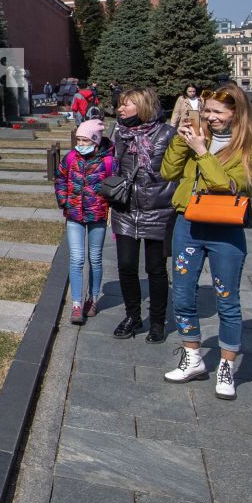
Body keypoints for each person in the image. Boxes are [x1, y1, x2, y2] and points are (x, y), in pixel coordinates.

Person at [160, 82, 252, 399]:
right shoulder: (198, 138)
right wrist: (183, 141)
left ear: (237, 114)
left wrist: (201, 152)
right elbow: (168, 172)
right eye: (206, 111)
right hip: (189, 223)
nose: (209, 117)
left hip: (226, 228)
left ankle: (226, 364)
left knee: (227, 299)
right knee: (182, 293)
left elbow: (226, 186)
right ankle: (192, 356)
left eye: (217, 112)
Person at [107, 87, 177, 341]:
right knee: (126, 266)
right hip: (125, 208)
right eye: (120, 105)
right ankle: (132, 316)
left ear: (143, 105)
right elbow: (112, 165)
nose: (120, 109)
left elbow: (178, 171)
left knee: (156, 268)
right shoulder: (119, 133)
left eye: (126, 104)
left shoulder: (167, 134)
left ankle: (158, 321)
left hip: (158, 210)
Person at [55, 118, 116, 325]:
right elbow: (61, 178)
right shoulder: (71, 157)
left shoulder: (108, 161)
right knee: (77, 259)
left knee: (95, 258)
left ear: (96, 141)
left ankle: (93, 298)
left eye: (84, 140)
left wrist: (106, 203)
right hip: (74, 215)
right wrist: (64, 200)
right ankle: (76, 303)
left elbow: (114, 185)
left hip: (97, 215)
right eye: (78, 139)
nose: (80, 144)